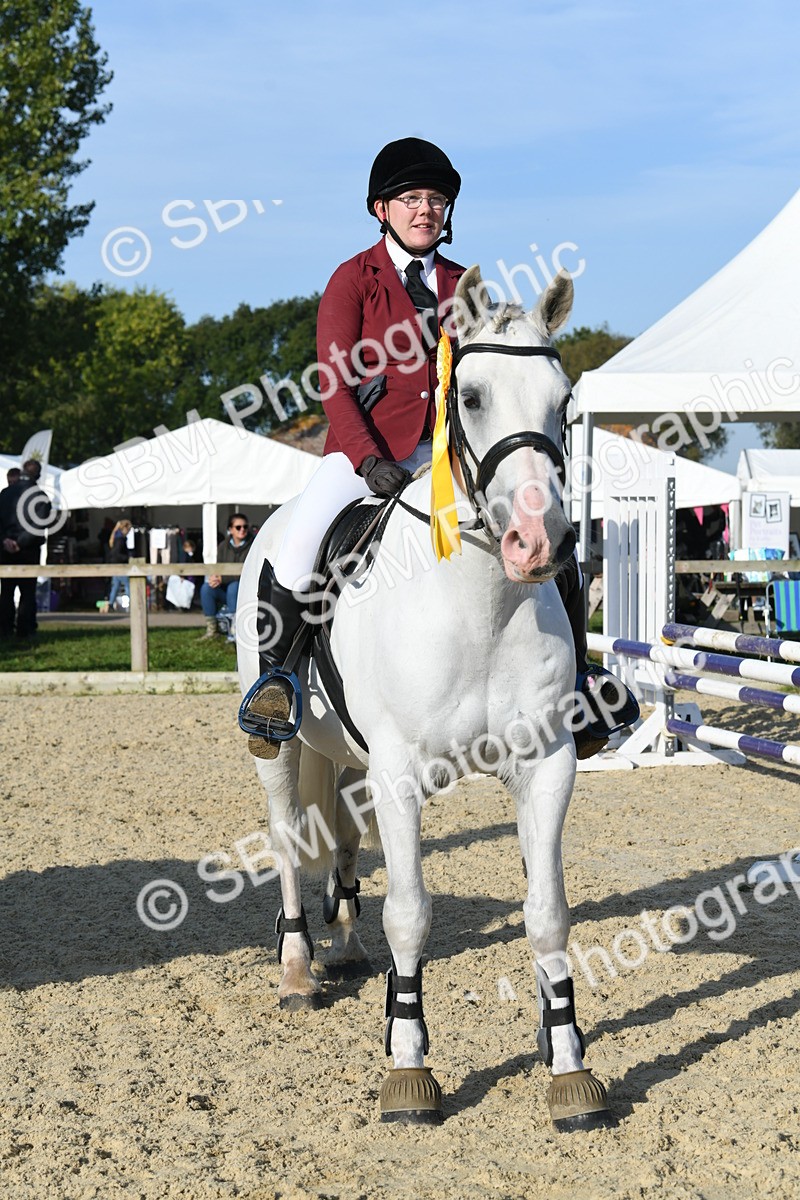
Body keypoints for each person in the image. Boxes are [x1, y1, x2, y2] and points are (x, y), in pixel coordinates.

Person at [241, 137, 638, 757]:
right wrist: (368, 459)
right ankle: (280, 680)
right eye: (411, 199)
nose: (425, 209)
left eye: (436, 199)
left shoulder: (465, 286)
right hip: (361, 456)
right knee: (299, 544)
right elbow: (333, 381)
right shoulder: (354, 280)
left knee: (544, 531)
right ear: (382, 209)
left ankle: (580, 683)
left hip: (451, 460)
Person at [0, 459, 53, 639]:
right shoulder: (40, 497)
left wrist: (5, 541)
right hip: (28, 549)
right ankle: (25, 629)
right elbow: (38, 527)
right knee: (27, 591)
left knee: (6, 591)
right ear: (38, 475)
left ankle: (5, 629)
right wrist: (20, 543)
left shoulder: (5, 494)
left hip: (5, 549)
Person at [200, 513, 252, 638]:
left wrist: (223, 578)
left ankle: (235, 628)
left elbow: (249, 572)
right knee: (206, 588)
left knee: (233, 587)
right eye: (238, 527)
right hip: (225, 589)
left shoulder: (253, 544)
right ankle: (212, 629)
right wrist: (215, 578)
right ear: (230, 530)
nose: (242, 529)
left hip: (246, 590)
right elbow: (219, 568)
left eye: (245, 526)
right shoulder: (223, 546)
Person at [107, 519, 132, 609]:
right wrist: (127, 558)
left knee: (116, 586)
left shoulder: (116, 537)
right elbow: (117, 554)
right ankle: (128, 604)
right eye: (128, 529)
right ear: (124, 528)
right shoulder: (120, 540)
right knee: (128, 585)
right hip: (120, 565)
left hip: (115, 565)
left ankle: (111, 603)